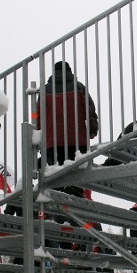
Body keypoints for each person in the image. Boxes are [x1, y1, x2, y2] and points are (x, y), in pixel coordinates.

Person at [39, 61, 99, 196]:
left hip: (51, 143)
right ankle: (76, 207)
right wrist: (92, 130)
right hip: (77, 141)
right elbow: (90, 110)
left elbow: (37, 115)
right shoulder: (79, 87)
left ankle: (59, 210)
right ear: (69, 71)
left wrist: (39, 139)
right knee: (77, 179)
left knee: (56, 179)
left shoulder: (45, 90)